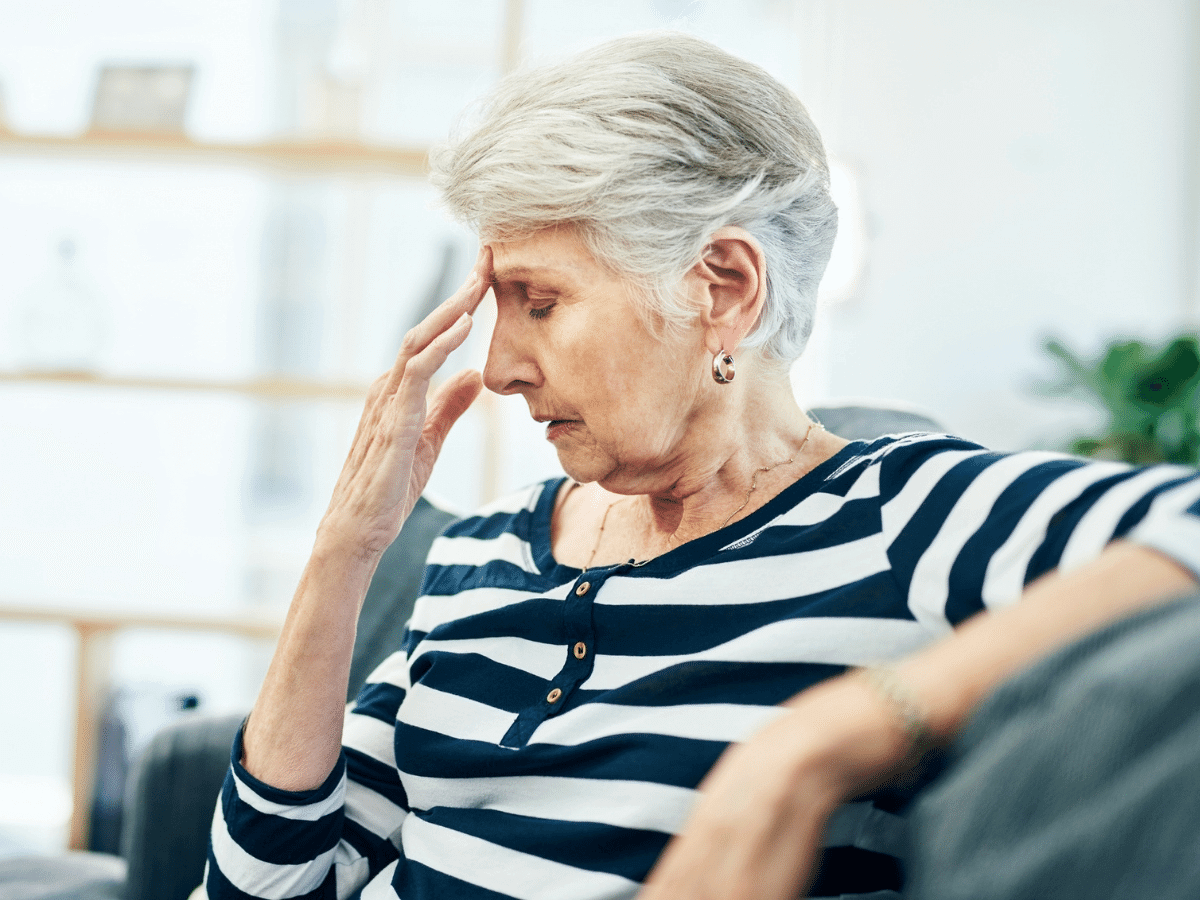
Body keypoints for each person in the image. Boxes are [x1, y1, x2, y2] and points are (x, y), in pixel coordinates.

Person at [199, 33, 1200, 900]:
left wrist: (820, 742)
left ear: (722, 288)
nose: (498, 367)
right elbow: (271, 887)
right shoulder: (482, 554)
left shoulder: (903, 519)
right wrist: (345, 553)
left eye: (540, 302)